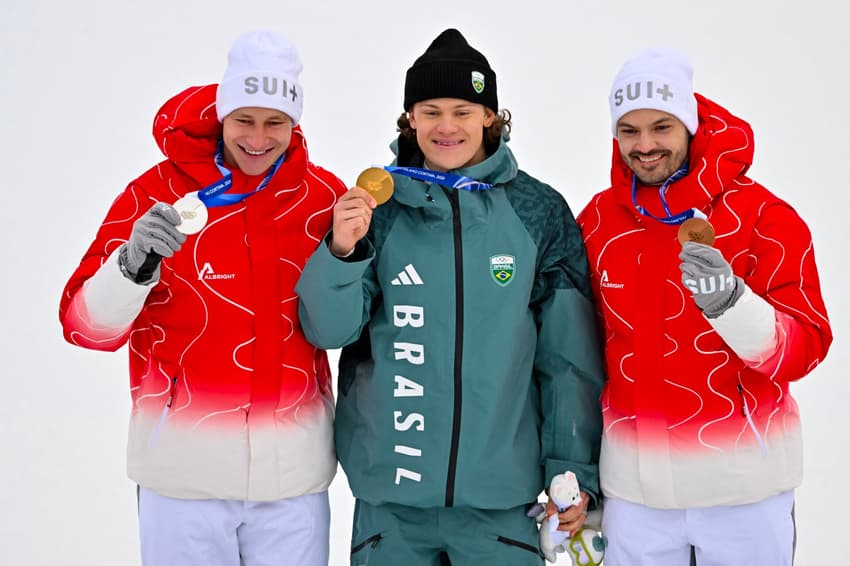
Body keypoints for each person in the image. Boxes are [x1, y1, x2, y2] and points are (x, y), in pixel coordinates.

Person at [296, 28, 604, 566]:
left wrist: (571, 468)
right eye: (430, 110)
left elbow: (566, 359)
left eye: (463, 110)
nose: (446, 126)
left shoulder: (538, 210)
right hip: (391, 503)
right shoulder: (377, 206)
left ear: (490, 116)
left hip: (501, 506)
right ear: (410, 118)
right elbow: (329, 331)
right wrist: (341, 252)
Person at [59, 30, 347, 566]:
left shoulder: (324, 198)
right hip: (181, 477)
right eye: (244, 119)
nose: (258, 138)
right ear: (222, 115)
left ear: (294, 123)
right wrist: (131, 264)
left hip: (292, 482)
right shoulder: (156, 193)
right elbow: (84, 326)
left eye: (275, 122)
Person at [576, 47, 833, 566]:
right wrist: (583, 486)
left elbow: (807, 346)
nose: (645, 146)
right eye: (629, 130)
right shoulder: (598, 222)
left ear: (691, 125)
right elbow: (576, 353)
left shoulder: (765, 217)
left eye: (662, 127)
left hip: (745, 493)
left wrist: (733, 305)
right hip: (635, 495)